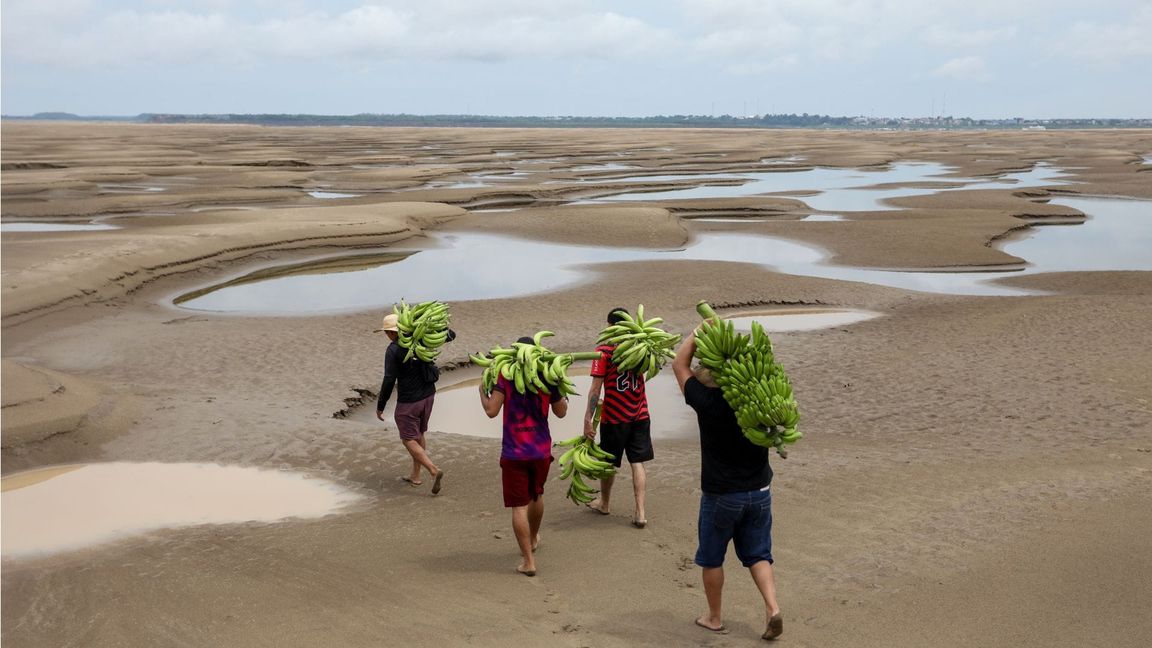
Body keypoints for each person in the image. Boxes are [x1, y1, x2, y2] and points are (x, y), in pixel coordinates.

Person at [672, 328, 783, 641]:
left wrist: (695, 335)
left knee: (711, 558)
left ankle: (714, 617)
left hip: (722, 495)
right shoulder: (760, 401)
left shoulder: (706, 402)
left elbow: (679, 365)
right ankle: (772, 607)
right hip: (760, 491)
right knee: (759, 554)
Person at [479, 336, 568, 577]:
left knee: (519, 506)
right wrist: (558, 385)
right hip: (540, 450)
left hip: (514, 452)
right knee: (536, 495)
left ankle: (528, 561)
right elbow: (561, 412)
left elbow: (491, 411)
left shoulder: (505, 376)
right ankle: (534, 537)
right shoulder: (548, 377)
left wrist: (481, 391)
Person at [583, 307, 652, 528]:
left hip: (614, 417)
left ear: (611, 326)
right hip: (640, 413)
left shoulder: (603, 350)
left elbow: (595, 389)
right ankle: (640, 512)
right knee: (637, 462)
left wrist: (587, 418)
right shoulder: (641, 346)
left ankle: (604, 503)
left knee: (608, 463)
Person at [374, 312, 453, 495]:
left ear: (393, 333)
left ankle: (432, 469)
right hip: (428, 395)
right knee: (419, 434)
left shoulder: (393, 350)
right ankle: (415, 475)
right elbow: (451, 335)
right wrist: (431, 328)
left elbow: (388, 379)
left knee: (408, 438)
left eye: (387, 332)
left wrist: (381, 404)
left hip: (409, 401)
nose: (387, 335)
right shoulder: (422, 340)